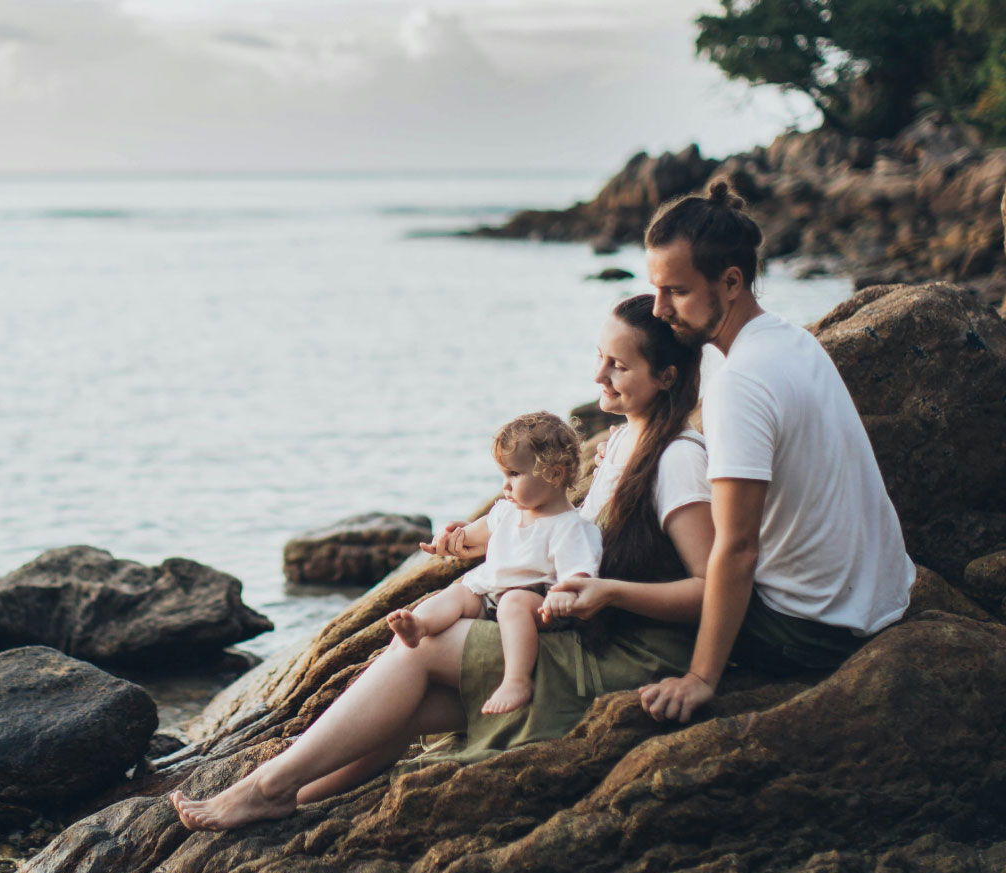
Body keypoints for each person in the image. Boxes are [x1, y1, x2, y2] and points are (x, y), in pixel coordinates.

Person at [170, 294, 713, 831]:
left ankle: (266, 787)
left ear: (665, 376)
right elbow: (567, 531)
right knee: (415, 702)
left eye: (618, 365)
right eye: (600, 355)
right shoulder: (620, 442)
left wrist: (612, 593)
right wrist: (483, 541)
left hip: (628, 654)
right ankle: (298, 795)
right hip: (586, 629)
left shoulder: (678, 460)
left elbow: (712, 591)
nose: (599, 374)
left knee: (419, 650)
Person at [637, 179, 916, 725]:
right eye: (655, 289)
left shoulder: (739, 382)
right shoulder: (789, 339)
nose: (659, 308)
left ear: (731, 282)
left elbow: (738, 550)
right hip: (883, 602)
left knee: (640, 564)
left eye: (677, 291)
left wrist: (700, 679)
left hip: (815, 631)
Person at [385, 412, 603, 715]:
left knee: (514, 602)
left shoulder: (570, 527)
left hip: (539, 605)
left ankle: (517, 680)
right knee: (459, 592)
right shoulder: (507, 512)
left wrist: (563, 596)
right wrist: (447, 540)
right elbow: (473, 534)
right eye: (503, 476)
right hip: (492, 597)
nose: (506, 486)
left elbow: (578, 574)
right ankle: (420, 626)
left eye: (514, 475)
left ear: (553, 475)